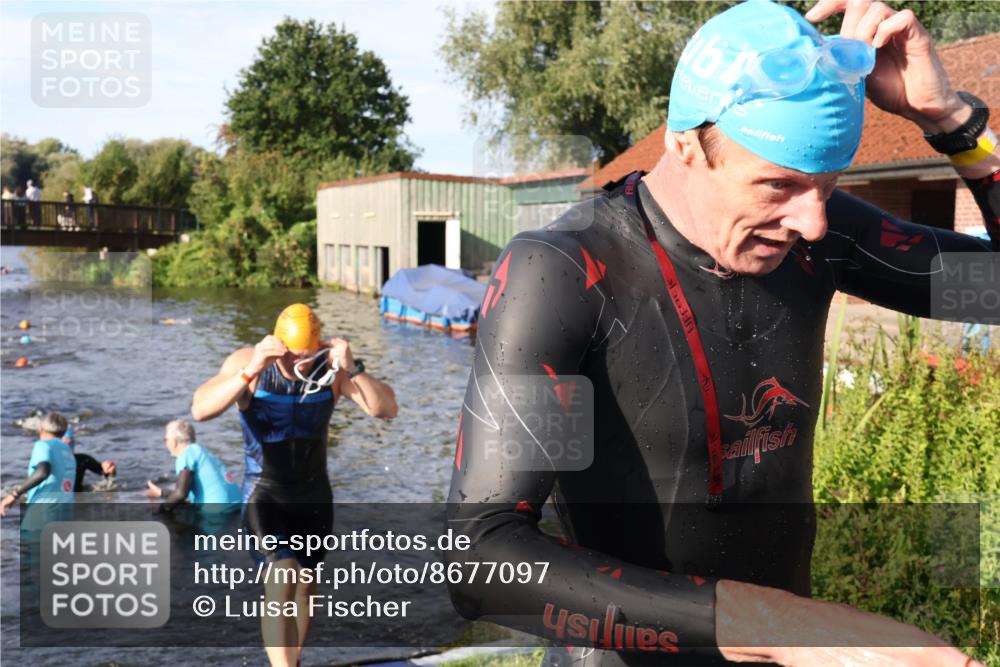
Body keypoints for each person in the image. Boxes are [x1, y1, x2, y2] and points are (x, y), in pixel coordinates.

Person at [445, 1, 998, 666]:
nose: (813, 220)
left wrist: (952, 123)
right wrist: (780, 626)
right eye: (779, 185)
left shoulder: (816, 241)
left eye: (827, 185)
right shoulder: (567, 275)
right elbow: (482, 556)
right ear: (684, 143)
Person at [191, 303, 398, 667]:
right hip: (264, 493)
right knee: (281, 574)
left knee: (306, 590)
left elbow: (386, 409)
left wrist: (353, 367)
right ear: (277, 345)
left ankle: (295, 661)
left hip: (314, 496)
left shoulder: (330, 370)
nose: (297, 366)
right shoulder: (248, 362)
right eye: (290, 357)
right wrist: (251, 368)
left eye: (306, 356)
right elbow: (201, 410)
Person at [144, 420, 241, 510]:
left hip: (219, 511)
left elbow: (181, 494)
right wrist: (161, 493)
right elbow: (184, 491)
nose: (165, 443)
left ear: (174, 442)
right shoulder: (201, 451)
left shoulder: (185, 455)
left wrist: (161, 509)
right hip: (238, 503)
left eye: (165, 440)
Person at [0, 412, 76, 516]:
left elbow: (43, 472)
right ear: (63, 432)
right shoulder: (68, 451)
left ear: (41, 429)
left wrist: (14, 495)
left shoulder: (43, 445)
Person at [61, 425, 117, 492]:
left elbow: (103, 472)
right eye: (63, 444)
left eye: (70, 443)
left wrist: (110, 470)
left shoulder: (82, 460)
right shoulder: (48, 462)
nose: (67, 448)